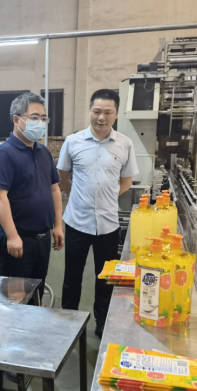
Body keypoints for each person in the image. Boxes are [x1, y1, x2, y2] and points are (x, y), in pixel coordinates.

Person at [58, 89, 138, 338]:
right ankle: (69, 322)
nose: (101, 117)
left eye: (107, 112)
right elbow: (62, 177)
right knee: (72, 276)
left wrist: (107, 197)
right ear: (90, 111)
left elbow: (126, 180)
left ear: (116, 114)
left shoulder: (125, 143)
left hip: (108, 224)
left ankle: (102, 323)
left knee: (105, 278)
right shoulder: (73, 142)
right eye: (96, 111)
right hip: (76, 222)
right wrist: (78, 197)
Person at [0, 93, 64, 305]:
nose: (40, 123)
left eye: (43, 118)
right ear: (16, 119)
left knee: (36, 294)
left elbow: (54, 190)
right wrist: (12, 236)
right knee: (14, 300)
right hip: (18, 240)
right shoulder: (5, 154)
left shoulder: (43, 152)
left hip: (42, 239)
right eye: (34, 117)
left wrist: (58, 225)